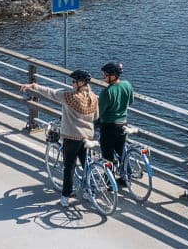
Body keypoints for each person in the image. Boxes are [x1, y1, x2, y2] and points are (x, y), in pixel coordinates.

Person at [19, 69, 97, 204]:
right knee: (86, 164)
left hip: (72, 137)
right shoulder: (94, 98)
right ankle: (90, 192)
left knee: (69, 166)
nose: (72, 84)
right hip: (87, 137)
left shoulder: (69, 97)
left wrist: (33, 86)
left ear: (80, 83)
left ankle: (66, 196)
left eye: (74, 81)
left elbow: (51, 93)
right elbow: (96, 116)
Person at [96, 61, 134, 186]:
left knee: (108, 155)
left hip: (109, 126)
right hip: (123, 123)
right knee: (121, 151)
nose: (103, 77)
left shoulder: (106, 92)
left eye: (105, 74)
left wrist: (93, 123)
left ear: (113, 76)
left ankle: (110, 181)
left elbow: (99, 112)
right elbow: (131, 101)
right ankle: (127, 177)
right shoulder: (127, 85)